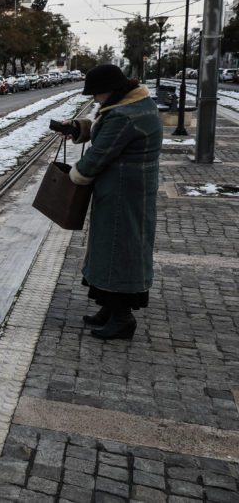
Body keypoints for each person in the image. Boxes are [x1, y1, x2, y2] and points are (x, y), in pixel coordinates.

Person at [63, 64, 162, 340]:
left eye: (97, 94)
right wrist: (78, 129)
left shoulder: (124, 116)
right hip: (125, 191)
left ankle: (122, 318)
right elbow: (103, 133)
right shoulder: (134, 105)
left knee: (118, 250)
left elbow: (100, 154)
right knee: (109, 249)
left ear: (112, 91)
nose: (95, 99)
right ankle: (108, 307)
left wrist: (75, 175)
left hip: (123, 194)